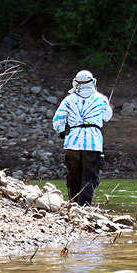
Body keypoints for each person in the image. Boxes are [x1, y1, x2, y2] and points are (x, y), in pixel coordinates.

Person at [52, 70, 113, 206]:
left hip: (72, 143)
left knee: (74, 177)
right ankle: (84, 209)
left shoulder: (68, 100)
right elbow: (107, 116)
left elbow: (57, 121)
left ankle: (73, 206)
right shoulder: (101, 99)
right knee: (89, 178)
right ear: (93, 82)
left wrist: (62, 130)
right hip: (93, 144)